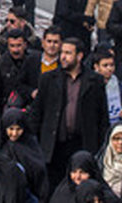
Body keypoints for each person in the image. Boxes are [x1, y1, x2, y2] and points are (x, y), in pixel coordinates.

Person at [29, 38, 109, 188]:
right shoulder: (48, 79)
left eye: (68, 53)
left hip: (82, 144)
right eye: (62, 53)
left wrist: (99, 147)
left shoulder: (95, 81)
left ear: (79, 56)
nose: (63, 57)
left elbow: (102, 117)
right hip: (54, 146)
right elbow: (37, 113)